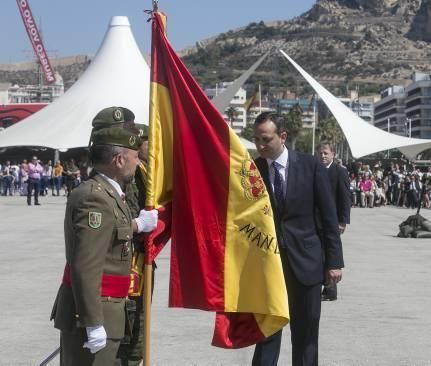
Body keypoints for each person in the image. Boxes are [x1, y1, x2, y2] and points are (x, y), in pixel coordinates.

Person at [50, 107, 158, 366]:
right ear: (119, 160)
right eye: (134, 156)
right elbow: (85, 266)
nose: (138, 161)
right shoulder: (95, 198)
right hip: (95, 314)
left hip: (109, 310)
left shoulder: (110, 195)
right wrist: (93, 322)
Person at [251, 112, 344, 366]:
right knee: (267, 336)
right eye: (256, 139)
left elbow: (328, 216)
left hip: (307, 264)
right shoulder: (253, 171)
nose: (260, 146)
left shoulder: (310, 166)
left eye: (266, 139)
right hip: (269, 267)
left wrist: (334, 261)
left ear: (282, 137)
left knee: (305, 338)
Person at [117, 124, 155, 366]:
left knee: (138, 333)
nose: (151, 145)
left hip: (142, 263)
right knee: (128, 333)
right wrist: (142, 226)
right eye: (146, 141)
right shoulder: (129, 178)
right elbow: (125, 219)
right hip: (128, 263)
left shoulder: (145, 173)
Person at [318, 142, 351, 302]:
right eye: (320, 153)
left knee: (330, 252)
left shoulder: (339, 172)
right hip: (317, 220)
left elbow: (345, 197)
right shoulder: (315, 170)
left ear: (333, 154)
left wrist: (343, 221)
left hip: (333, 220)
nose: (323, 156)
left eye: (325, 153)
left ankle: (331, 289)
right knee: (320, 253)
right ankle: (324, 285)